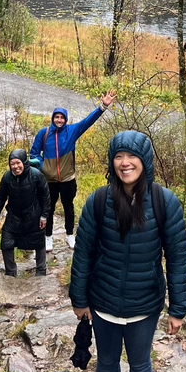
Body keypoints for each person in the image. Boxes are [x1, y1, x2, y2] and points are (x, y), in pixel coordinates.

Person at [69, 130, 186, 372]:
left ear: (144, 161)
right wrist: (78, 299)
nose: (125, 163)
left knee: (139, 363)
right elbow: (83, 252)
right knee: (106, 361)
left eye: (131, 156)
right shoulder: (97, 201)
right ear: (112, 162)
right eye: (118, 157)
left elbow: (177, 257)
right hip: (104, 301)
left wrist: (178, 307)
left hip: (144, 304)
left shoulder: (165, 202)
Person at [30, 89, 116, 252]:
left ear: (66, 119)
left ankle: (70, 235)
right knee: (48, 209)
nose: (59, 120)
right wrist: (43, 167)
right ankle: (48, 238)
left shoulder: (72, 131)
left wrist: (102, 107)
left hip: (68, 179)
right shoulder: (44, 133)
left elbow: (88, 121)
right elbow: (33, 153)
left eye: (62, 117)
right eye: (57, 117)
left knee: (68, 208)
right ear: (53, 118)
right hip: (49, 181)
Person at [0, 149, 51, 277]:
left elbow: (45, 197)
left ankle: (41, 271)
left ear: (24, 162)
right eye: (12, 164)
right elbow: (0, 197)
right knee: (6, 243)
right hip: (14, 216)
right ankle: (10, 272)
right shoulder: (7, 177)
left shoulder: (36, 175)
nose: (16, 167)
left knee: (39, 242)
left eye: (18, 163)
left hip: (33, 215)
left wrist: (44, 216)